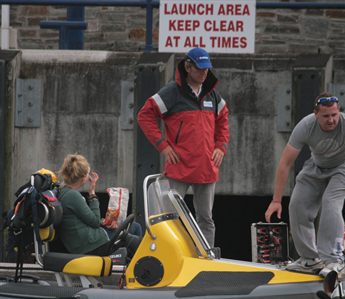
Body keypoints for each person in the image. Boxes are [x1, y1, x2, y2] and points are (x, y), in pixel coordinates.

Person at [264, 92, 345, 276]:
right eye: (326, 116)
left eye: (335, 114)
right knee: (297, 204)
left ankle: (334, 259)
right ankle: (310, 259)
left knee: (330, 202)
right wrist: (276, 200)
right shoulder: (305, 126)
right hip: (318, 165)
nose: (332, 120)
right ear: (316, 114)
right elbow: (285, 163)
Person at [137, 47, 230, 248]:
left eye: (207, 69)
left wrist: (221, 146)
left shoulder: (212, 95)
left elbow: (223, 118)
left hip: (206, 168)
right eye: (200, 68)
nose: (204, 73)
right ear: (188, 67)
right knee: (170, 218)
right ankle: (173, 255)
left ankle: (207, 260)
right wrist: (162, 146)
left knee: (206, 219)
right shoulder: (172, 92)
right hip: (179, 167)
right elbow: (144, 115)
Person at [57, 154, 140, 256]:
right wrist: (92, 193)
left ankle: (131, 263)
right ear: (83, 178)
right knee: (130, 238)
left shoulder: (64, 191)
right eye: (88, 174)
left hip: (86, 240)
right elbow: (95, 221)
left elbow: (87, 219)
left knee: (135, 227)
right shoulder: (72, 196)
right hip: (90, 244)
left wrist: (104, 222)